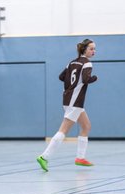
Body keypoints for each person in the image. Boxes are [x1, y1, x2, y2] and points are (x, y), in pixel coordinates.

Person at [36, 39, 98, 172]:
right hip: (75, 101)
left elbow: (61, 76)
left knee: (86, 126)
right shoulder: (87, 63)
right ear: (84, 50)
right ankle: (44, 157)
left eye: (94, 49)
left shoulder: (71, 62)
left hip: (69, 99)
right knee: (63, 130)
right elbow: (87, 79)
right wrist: (94, 78)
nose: (94, 51)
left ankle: (80, 158)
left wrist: (71, 84)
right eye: (91, 49)